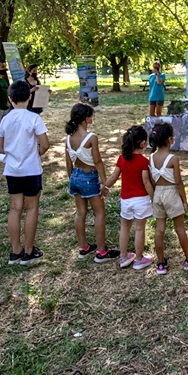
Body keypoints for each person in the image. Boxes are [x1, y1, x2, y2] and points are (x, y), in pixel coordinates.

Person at [0, 80, 50, 266]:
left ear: (9, 99)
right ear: (30, 96)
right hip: (31, 169)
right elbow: (45, 144)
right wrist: (36, 153)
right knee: (32, 208)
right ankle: (28, 250)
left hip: (12, 170)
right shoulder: (34, 118)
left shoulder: (5, 119)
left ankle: (15, 250)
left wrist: (12, 152)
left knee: (15, 208)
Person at [64, 104, 119, 262]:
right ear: (85, 118)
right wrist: (105, 183)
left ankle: (83, 247)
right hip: (89, 177)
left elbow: (68, 162)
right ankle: (101, 251)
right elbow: (98, 161)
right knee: (99, 213)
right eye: (90, 116)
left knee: (81, 212)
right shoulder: (91, 137)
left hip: (75, 176)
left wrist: (71, 178)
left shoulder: (68, 138)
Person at [148, 122, 188, 274]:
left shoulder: (151, 158)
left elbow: (152, 180)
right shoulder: (173, 159)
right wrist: (184, 200)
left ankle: (160, 263)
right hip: (171, 194)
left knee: (159, 229)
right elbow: (178, 182)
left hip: (158, 194)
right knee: (180, 228)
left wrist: (155, 195)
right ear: (169, 140)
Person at [104, 126, 155, 270]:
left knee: (124, 227)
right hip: (141, 200)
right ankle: (139, 259)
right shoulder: (144, 161)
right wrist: (154, 198)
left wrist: (105, 187)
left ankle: (123, 256)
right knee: (139, 229)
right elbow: (146, 182)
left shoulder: (122, 159)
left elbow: (113, 177)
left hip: (126, 200)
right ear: (142, 143)